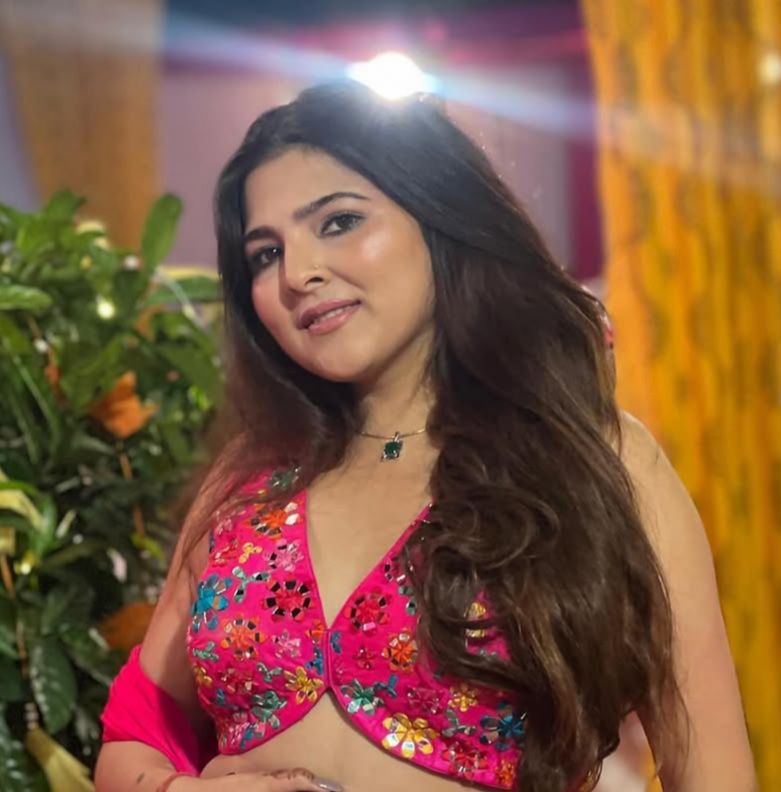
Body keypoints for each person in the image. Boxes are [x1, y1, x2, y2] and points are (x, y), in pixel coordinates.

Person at [95, 81, 756, 792]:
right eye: (263, 254)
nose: (298, 273)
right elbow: (133, 737)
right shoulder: (248, 481)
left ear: (437, 215)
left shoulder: (594, 461)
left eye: (339, 221)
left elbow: (709, 771)